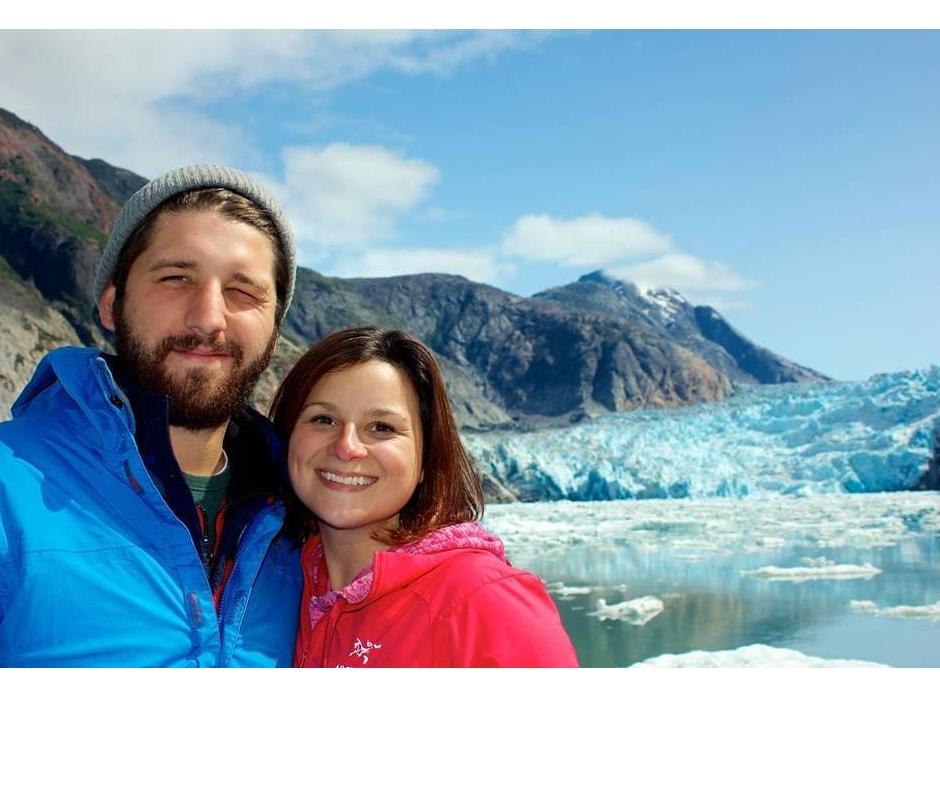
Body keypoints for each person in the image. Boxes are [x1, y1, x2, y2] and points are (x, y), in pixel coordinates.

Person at [0, 164, 303, 666]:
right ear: (112, 304)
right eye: (175, 278)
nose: (208, 317)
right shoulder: (9, 487)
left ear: (274, 331)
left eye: (242, 292)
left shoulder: (307, 525)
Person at [270, 326, 579, 667]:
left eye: (382, 427)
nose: (347, 447)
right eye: (323, 419)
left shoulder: (485, 603)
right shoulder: (272, 589)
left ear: (425, 460)